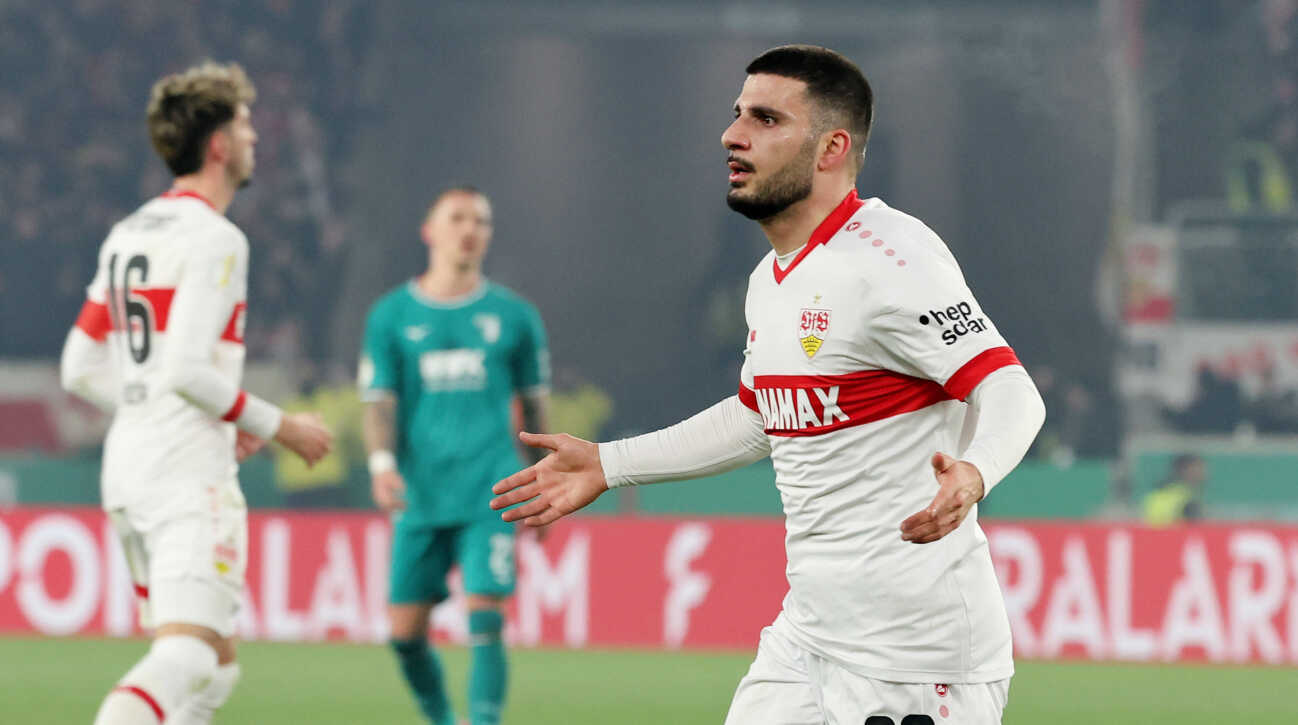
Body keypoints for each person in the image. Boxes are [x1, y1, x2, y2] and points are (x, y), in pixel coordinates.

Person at [490, 45, 1046, 724]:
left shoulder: (894, 259)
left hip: (915, 662)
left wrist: (975, 472)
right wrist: (611, 462)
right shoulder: (770, 279)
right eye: (735, 115)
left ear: (830, 149)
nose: (733, 134)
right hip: (808, 642)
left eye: (766, 118)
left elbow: (1012, 389)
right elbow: (760, 416)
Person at [59, 61, 333, 725]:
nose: (254, 138)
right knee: (184, 660)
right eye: (244, 125)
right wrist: (279, 426)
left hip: (129, 469)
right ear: (218, 145)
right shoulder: (217, 239)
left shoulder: (130, 232)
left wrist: (162, 407)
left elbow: (78, 365)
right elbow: (185, 368)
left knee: (216, 661)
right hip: (185, 478)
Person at [359, 187, 550, 725]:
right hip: (420, 493)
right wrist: (381, 466)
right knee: (403, 635)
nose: (471, 229)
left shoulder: (515, 316)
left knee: (485, 616)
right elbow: (379, 402)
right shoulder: (391, 315)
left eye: (482, 221)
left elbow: (535, 410)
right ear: (430, 231)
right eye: (458, 218)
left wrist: (545, 485)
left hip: (490, 489)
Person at [1143, 453, 1207, 527]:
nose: (1203, 473)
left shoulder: (1156, 493)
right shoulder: (1186, 498)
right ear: (1185, 470)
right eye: (1197, 468)